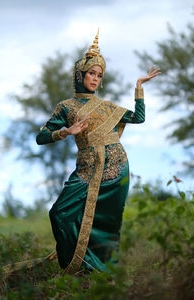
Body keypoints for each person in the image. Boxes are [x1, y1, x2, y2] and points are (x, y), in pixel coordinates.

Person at [36, 30, 161, 275]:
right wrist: (66, 132)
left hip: (115, 166)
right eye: (91, 73)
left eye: (99, 75)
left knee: (105, 223)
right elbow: (41, 137)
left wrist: (139, 86)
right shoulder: (66, 107)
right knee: (60, 213)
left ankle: (98, 273)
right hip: (86, 167)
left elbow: (139, 118)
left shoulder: (107, 107)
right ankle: (74, 266)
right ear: (80, 75)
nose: (95, 78)